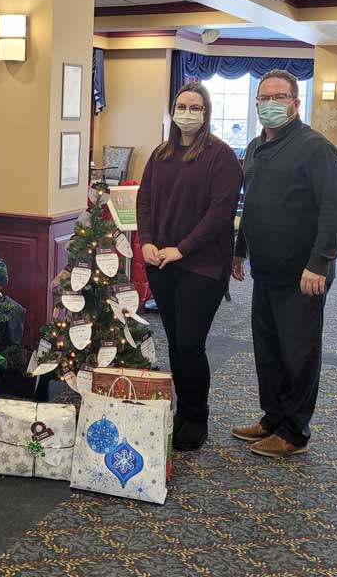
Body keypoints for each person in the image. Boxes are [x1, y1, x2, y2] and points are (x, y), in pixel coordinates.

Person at [231, 69, 337, 458]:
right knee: (268, 350)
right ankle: (272, 418)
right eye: (263, 98)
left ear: (295, 103)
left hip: (304, 274)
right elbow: (251, 205)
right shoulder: (254, 147)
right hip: (265, 270)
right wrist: (239, 249)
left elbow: (334, 211)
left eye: (278, 97)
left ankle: (294, 432)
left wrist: (320, 263)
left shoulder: (316, 148)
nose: (270, 104)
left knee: (298, 353)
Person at [136, 82, 242, 451]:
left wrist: (182, 249)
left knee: (191, 343)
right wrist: (146, 241)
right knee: (176, 344)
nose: (188, 113)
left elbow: (220, 213)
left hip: (203, 265)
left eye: (196, 107)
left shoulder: (221, 156)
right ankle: (182, 410)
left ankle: (198, 415)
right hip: (161, 262)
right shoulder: (161, 154)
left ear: (206, 113)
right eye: (182, 106)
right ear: (173, 111)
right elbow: (144, 200)